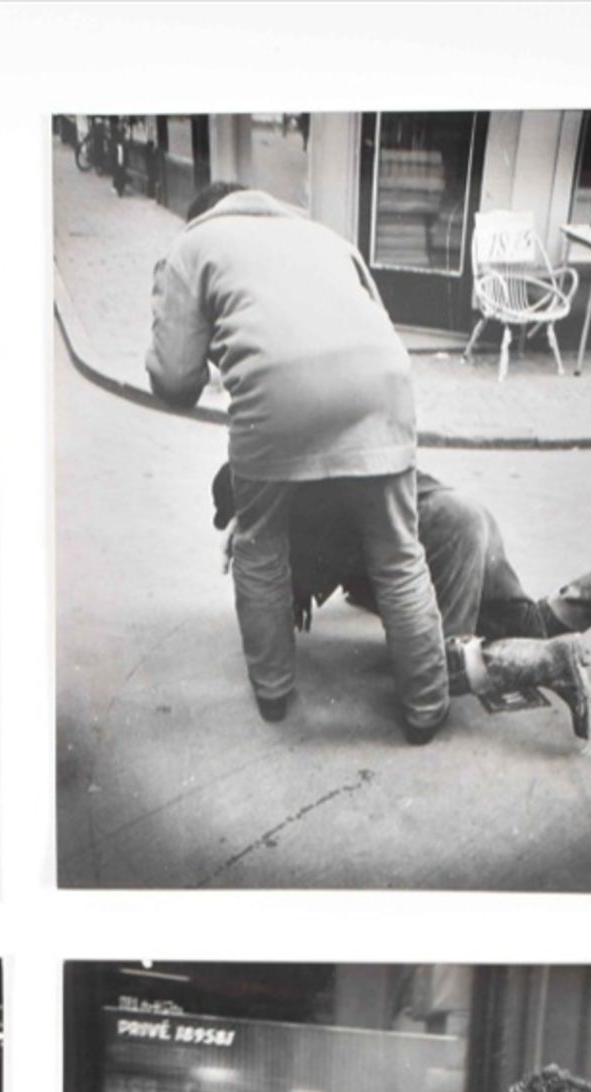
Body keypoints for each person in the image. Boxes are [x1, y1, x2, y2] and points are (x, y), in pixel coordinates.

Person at [147, 181, 450, 743]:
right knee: (399, 553)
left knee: (260, 545)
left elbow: (173, 380)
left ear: (202, 214)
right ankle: (427, 709)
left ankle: (275, 694)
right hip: (382, 386)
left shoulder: (192, 245)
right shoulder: (324, 236)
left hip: (277, 400)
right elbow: (374, 317)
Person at [212, 462, 591, 743]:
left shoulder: (292, 517)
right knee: (527, 622)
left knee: (433, 671)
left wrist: (279, 571)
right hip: (468, 517)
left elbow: (296, 584)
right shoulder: (326, 461)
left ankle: (552, 662)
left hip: (441, 543)